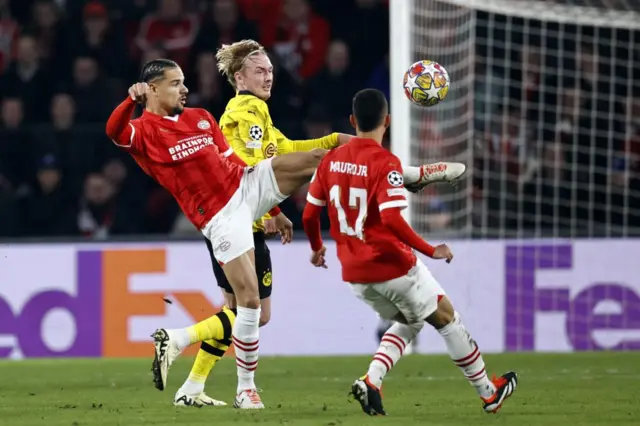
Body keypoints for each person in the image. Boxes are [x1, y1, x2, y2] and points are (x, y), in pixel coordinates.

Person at [174, 39, 468, 407]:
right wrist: (271, 210)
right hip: (237, 223)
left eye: (270, 71)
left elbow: (284, 150)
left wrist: (330, 142)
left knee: (240, 312)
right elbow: (245, 168)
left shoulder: (258, 114)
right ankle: (195, 352)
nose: (268, 77)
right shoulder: (244, 109)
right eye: (260, 71)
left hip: (236, 221)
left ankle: (192, 386)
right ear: (239, 76)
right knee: (253, 313)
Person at [105, 58, 327, 409]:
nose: (185, 89)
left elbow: (234, 164)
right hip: (219, 219)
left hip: (245, 194)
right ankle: (242, 387)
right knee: (249, 306)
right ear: (152, 89)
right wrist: (129, 102)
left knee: (316, 157)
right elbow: (114, 132)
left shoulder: (202, 118)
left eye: (184, 82)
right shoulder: (143, 132)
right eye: (176, 83)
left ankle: (189, 375)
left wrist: (271, 208)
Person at [301, 88, 518, 416]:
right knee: (447, 317)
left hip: (354, 274)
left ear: (351, 121)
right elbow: (391, 220)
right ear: (387, 121)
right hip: (392, 264)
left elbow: (308, 214)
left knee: (413, 318)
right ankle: (489, 392)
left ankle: (372, 381)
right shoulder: (385, 162)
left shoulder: (330, 160)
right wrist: (432, 249)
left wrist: (317, 248)